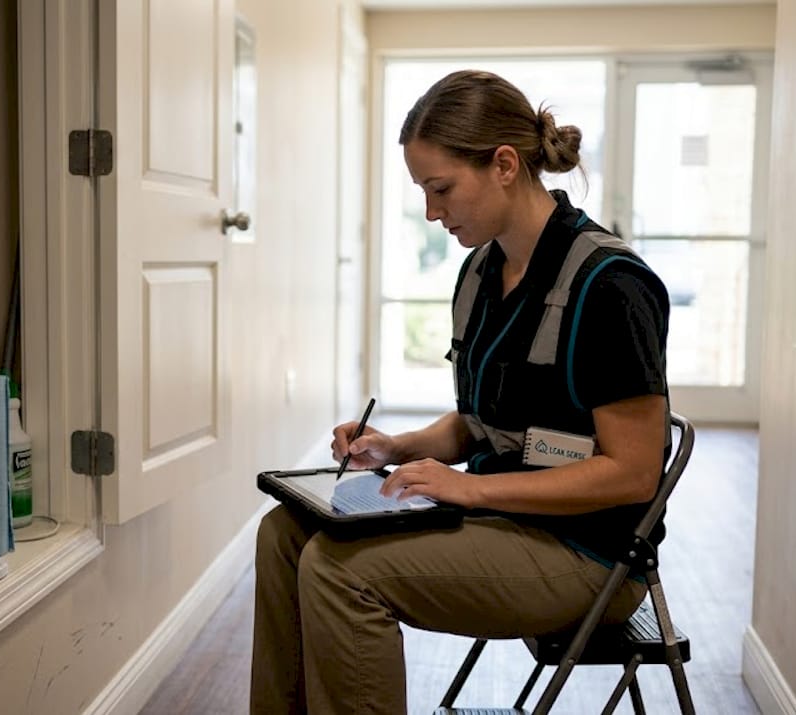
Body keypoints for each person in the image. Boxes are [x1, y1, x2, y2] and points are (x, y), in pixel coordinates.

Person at [250, 69, 672, 715]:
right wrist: (393, 446)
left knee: (342, 571)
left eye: (441, 188)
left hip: (589, 552)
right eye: (424, 191)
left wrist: (471, 486)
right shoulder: (483, 271)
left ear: (505, 164)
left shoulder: (611, 287)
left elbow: (634, 474)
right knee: (284, 533)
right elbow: (483, 423)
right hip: (502, 517)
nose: (432, 211)